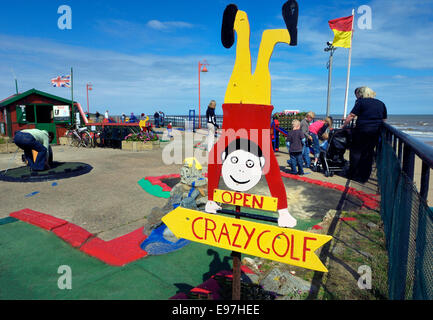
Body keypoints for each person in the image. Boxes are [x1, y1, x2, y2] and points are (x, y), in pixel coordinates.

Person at [341, 86, 387, 183]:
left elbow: (351, 116)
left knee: (356, 153)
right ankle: (364, 176)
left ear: (361, 94)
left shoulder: (361, 102)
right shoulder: (381, 103)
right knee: (368, 154)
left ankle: (353, 174)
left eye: (357, 95)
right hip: (375, 132)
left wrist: (343, 126)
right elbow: (384, 120)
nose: (357, 97)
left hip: (362, 131)